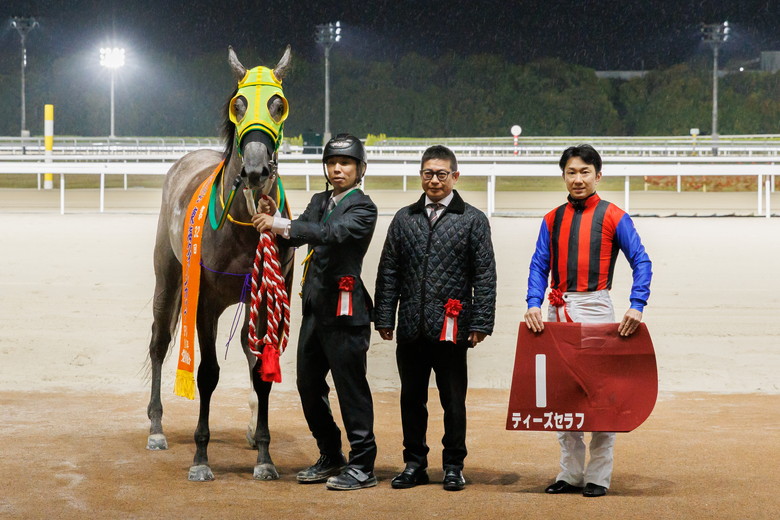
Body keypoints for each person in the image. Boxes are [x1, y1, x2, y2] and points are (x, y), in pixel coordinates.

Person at [523, 144, 652, 498]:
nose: (578, 179)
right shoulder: (551, 219)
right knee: (563, 396)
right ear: (563, 175)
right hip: (557, 310)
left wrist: (637, 304)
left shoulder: (614, 216)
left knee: (600, 395)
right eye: (571, 172)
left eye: (584, 172)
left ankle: (598, 476)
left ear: (598, 175)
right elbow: (539, 265)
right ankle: (570, 474)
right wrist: (533, 302)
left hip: (596, 307)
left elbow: (641, 261)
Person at [252, 133, 378, 491]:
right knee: (307, 385)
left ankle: (363, 464)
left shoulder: (364, 208)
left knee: (350, 388)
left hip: (346, 313)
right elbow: (295, 235)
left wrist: (280, 224)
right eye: (332, 163)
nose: (337, 169)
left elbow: (330, 233)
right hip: (314, 310)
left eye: (346, 163)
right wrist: (274, 216)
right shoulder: (320, 200)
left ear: (360, 169)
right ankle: (330, 453)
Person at [374, 145, 497, 491]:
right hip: (411, 327)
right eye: (428, 173)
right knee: (411, 399)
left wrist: (480, 323)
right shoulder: (404, 218)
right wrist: (385, 316)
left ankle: (454, 465)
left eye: (442, 174)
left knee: (453, 401)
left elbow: (485, 275)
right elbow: (389, 271)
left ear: (455, 176)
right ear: (421, 175)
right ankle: (414, 463)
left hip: (452, 330)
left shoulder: (473, 220)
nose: (434, 180)